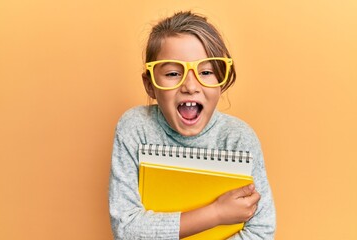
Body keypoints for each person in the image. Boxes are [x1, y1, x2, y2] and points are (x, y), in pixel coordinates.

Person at [109, 11, 276, 239]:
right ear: (150, 85)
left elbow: (262, 231)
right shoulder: (135, 128)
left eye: (206, 72)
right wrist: (216, 213)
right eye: (173, 73)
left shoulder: (239, 138)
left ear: (221, 82)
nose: (190, 86)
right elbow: (126, 228)